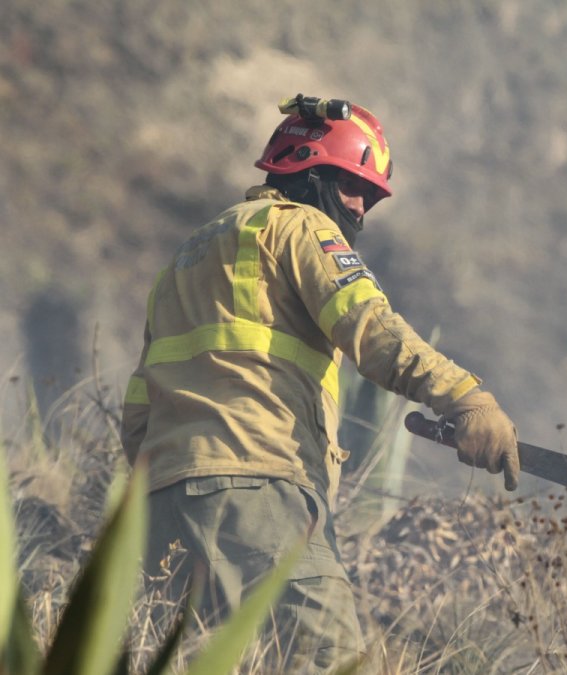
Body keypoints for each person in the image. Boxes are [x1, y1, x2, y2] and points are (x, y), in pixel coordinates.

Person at [120, 95, 520, 671]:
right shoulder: (299, 228)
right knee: (331, 658)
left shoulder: (184, 260)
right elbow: (374, 331)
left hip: (163, 511)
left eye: (371, 196)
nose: (361, 208)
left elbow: (139, 404)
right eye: (353, 186)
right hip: (260, 490)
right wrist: (466, 398)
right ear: (310, 172)